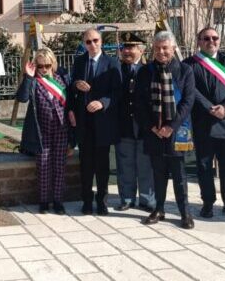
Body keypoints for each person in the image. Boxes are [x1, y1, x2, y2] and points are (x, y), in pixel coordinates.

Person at [135, 31, 196, 229]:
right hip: (154, 131)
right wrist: (152, 127)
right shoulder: (145, 72)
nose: (161, 52)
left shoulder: (185, 70)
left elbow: (188, 102)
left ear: (173, 49)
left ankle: (185, 212)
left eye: (165, 48)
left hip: (176, 131)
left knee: (179, 175)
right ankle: (159, 209)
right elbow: (139, 104)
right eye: (158, 48)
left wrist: (171, 126)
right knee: (158, 174)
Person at [184, 27, 225, 220]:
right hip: (204, 122)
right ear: (199, 41)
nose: (211, 41)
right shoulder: (189, 64)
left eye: (215, 38)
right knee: (203, 166)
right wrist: (210, 107)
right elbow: (191, 90)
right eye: (206, 38)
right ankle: (208, 204)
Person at [66, 28, 121, 215]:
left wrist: (102, 102)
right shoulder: (79, 61)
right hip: (84, 122)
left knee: (102, 166)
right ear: (84, 43)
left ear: (101, 41)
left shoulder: (112, 63)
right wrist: (76, 87)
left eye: (95, 40)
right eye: (88, 42)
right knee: (86, 165)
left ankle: (102, 201)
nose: (92, 45)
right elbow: (71, 87)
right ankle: (87, 201)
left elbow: (117, 92)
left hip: (103, 121)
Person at [16, 47, 70, 214]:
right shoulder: (34, 81)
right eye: (40, 66)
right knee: (44, 166)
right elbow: (22, 98)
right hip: (42, 131)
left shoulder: (61, 79)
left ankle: (58, 201)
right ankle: (44, 201)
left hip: (61, 129)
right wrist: (28, 77)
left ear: (52, 64)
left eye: (47, 65)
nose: (44, 69)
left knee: (59, 167)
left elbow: (71, 102)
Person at [114, 32, 155, 213]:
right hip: (123, 125)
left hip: (145, 127)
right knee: (125, 165)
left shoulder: (150, 70)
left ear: (141, 49)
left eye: (131, 47)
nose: (126, 51)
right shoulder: (115, 70)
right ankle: (127, 199)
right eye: (124, 47)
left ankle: (147, 200)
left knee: (146, 165)